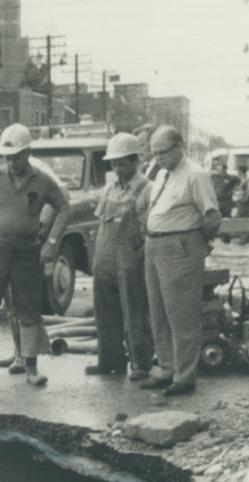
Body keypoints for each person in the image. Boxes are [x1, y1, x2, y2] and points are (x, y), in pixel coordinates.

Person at [0, 123, 71, 388]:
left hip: (27, 251)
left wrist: (52, 242)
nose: (10, 162)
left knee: (28, 308)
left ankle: (31, 368)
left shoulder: (43, 181)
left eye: (15, 157)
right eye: (6, 157)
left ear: (28, 152)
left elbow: (64, 207)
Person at [142, 125, 222, 397]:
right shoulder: (163, 173)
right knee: (159, 312)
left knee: (181, 314)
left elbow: (211, 216)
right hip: (155, 245)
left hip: (180, 245)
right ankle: (165, 367)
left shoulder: (195, 175)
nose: (158, 158)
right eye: (154, 153)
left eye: (162, 152)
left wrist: (197, 244)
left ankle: (185, 375)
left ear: (179, 147)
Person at [88, 132, 156, 381]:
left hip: (130, 262)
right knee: (104, 315)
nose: (117, 168)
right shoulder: (108, 190)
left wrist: (139, 258)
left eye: (122, 163)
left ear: (135, 160)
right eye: (114, 163)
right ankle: (109, 362)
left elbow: (150, 231)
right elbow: (100, 224)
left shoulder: (147, 190)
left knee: (135, 314)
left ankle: (141, 363)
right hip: (104, 262)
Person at [210, 157, 235, 221]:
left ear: (224, 170)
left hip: (226, 202)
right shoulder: (214, 177)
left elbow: (238, 181)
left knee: (226, 220)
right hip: (217, 202)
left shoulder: (230, 178)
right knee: (217, 220)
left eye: (220, 170)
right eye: (217, 170)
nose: (218, 172)